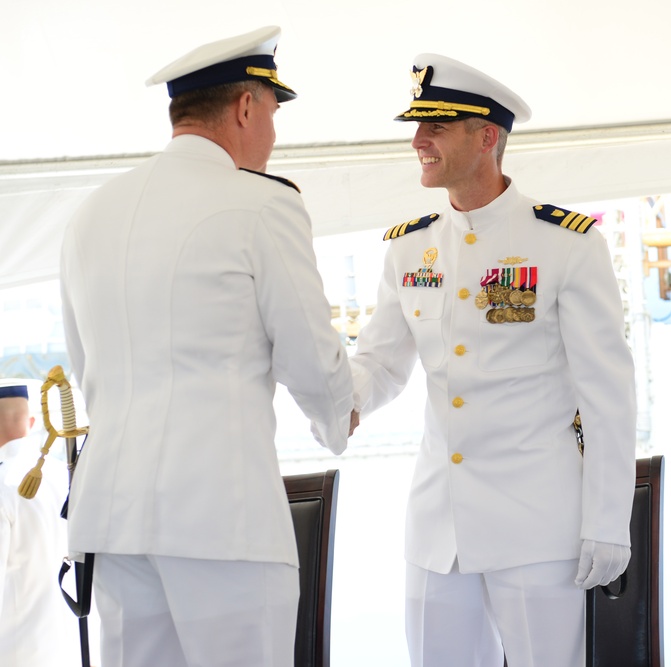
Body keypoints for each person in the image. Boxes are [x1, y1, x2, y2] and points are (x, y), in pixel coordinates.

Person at [60, 26, 354, 667]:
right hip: (224, 524)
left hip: (112, 519)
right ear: (246, 107)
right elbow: (309, 353)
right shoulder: (260, 205)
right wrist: (340, 416)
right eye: (272, 114)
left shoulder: (91, 214)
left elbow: (89, 369)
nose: (273, 137)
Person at [350, 54, 637, 667]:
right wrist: (334, 397)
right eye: (417, 126)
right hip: (437, 529)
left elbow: (607, 393)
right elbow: (378, 366)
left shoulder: (565, 243)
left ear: (487, 137)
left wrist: (609, 520)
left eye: (436, 127)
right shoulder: (409, 248)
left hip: (537, 526)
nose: (418, 141)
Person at [0, 382, 77, 666]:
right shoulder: (68, 476)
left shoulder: (2, 483)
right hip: (72, 644)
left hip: (16, 651)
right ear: (31, 423)